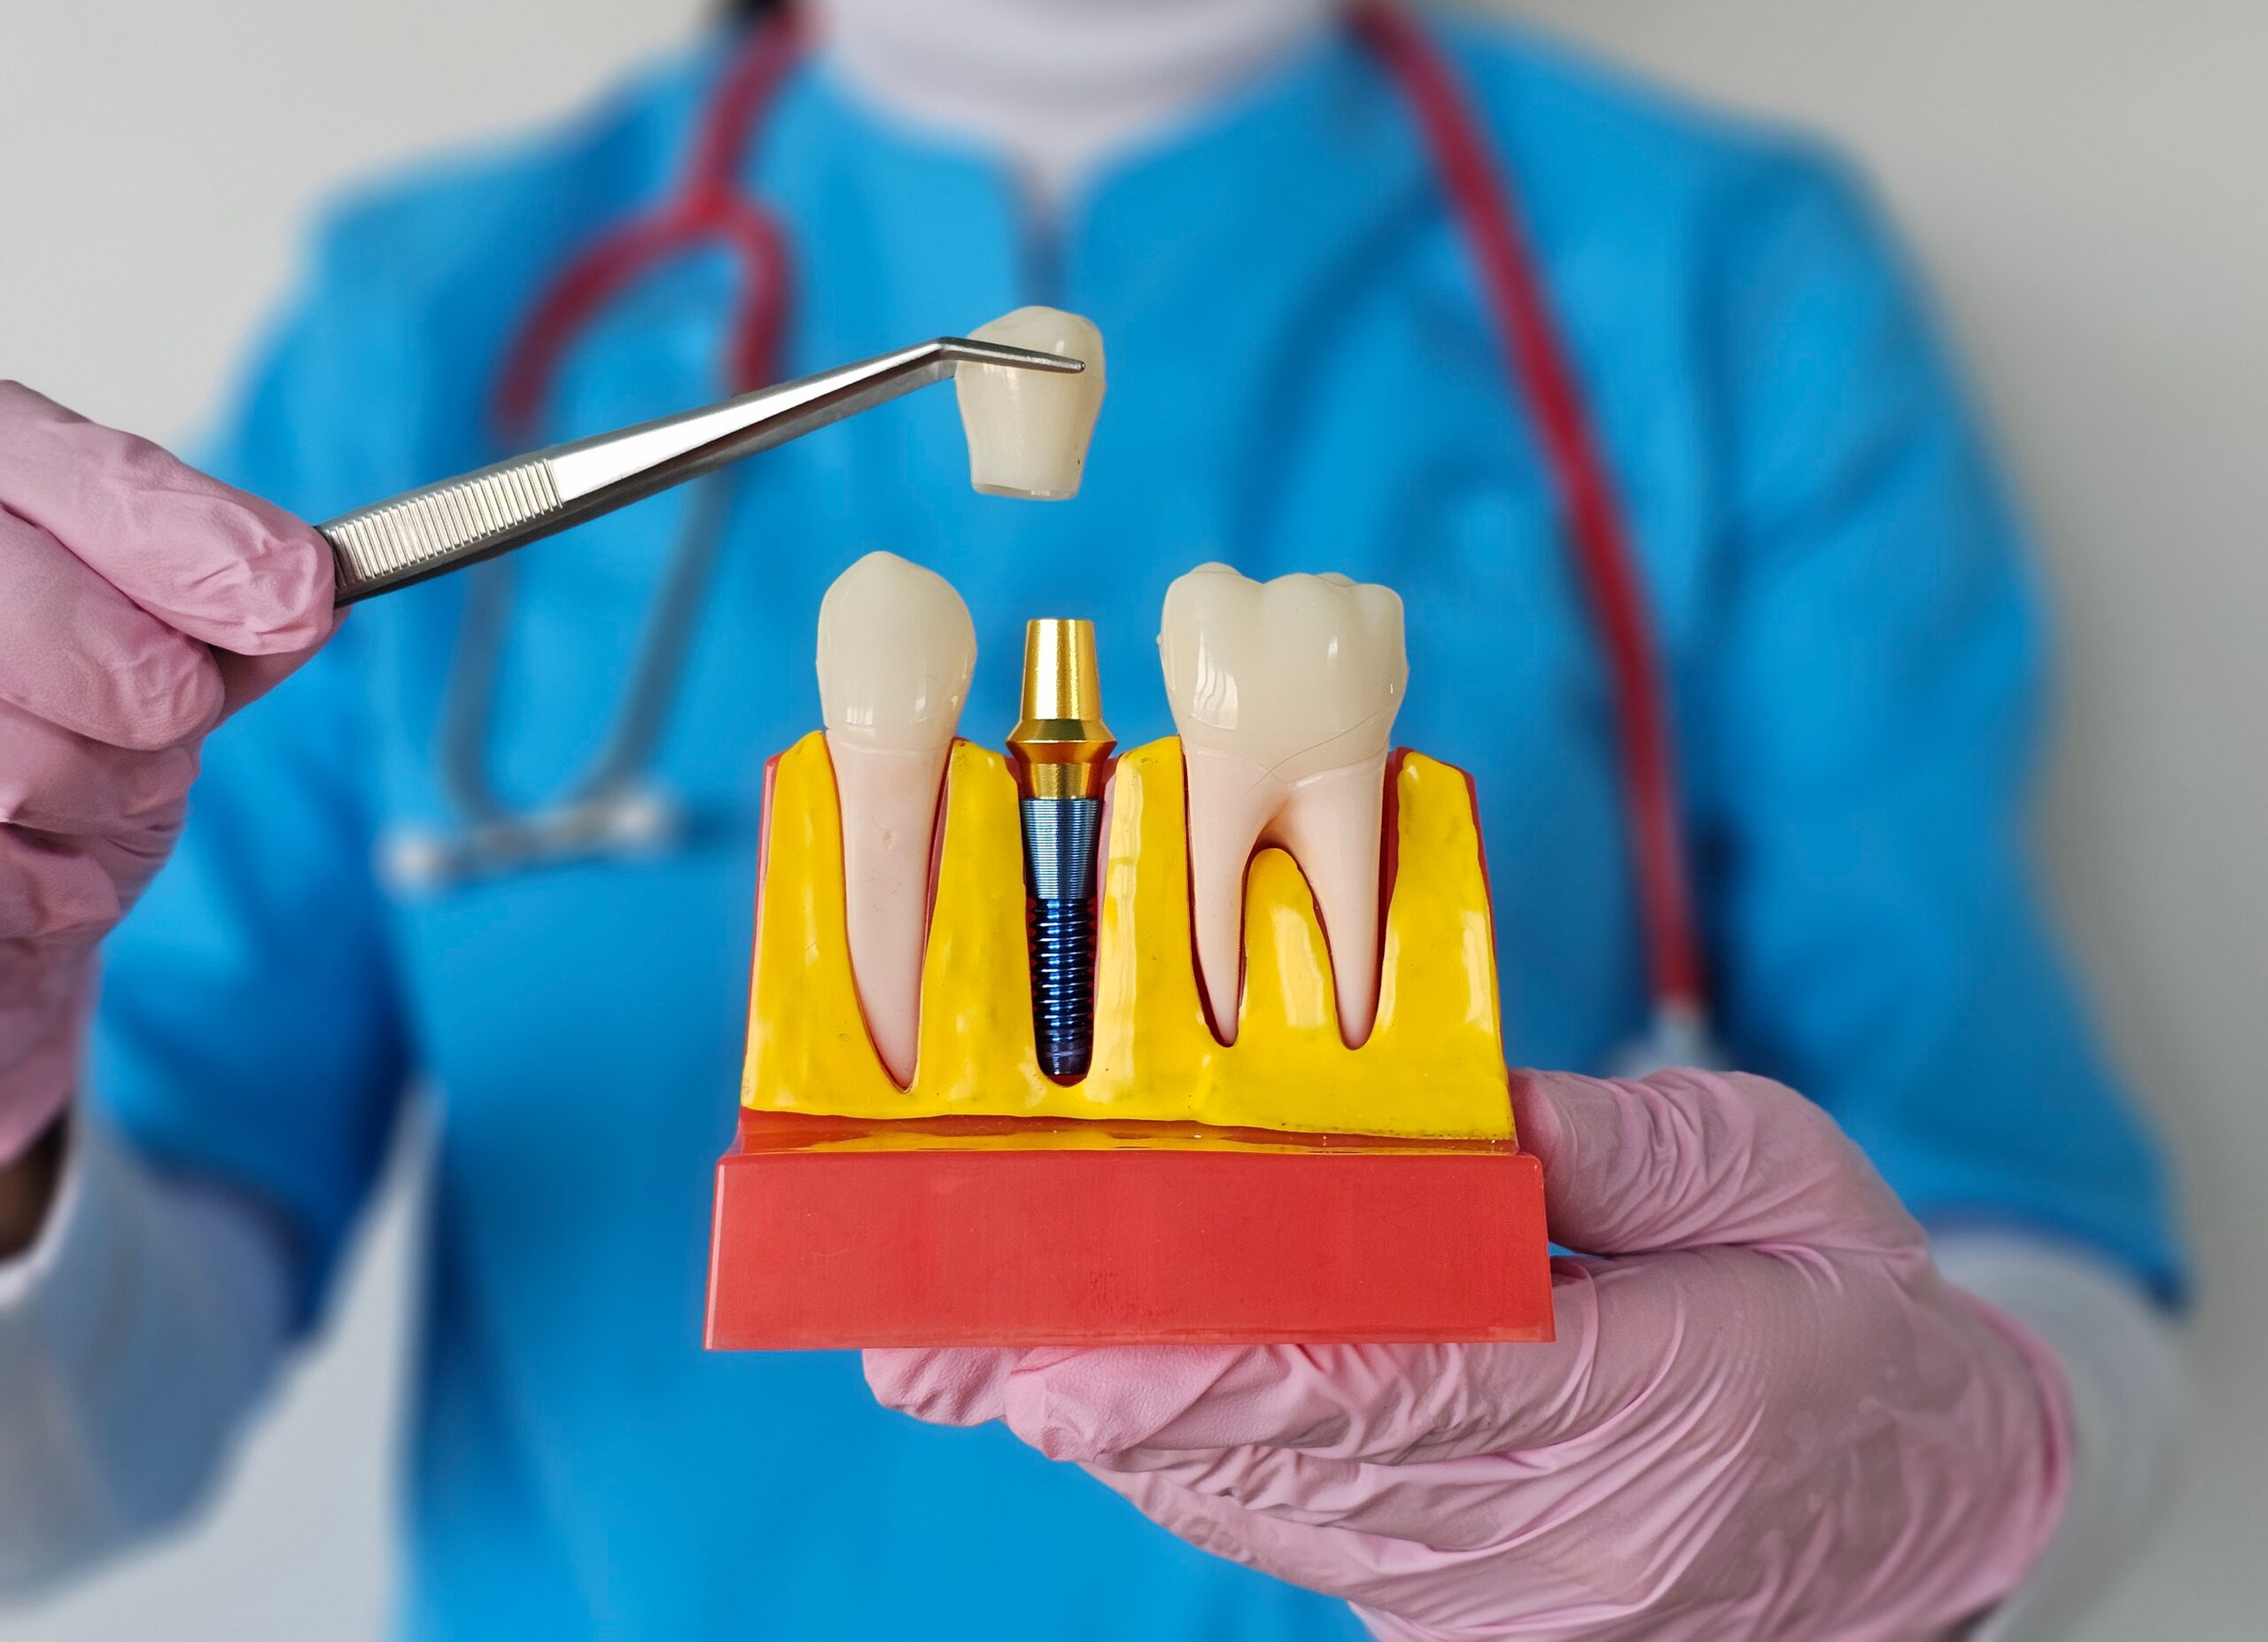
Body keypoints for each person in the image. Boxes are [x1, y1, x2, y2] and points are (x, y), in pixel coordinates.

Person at [0, 0, 2186, 1636]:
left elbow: (2013, 1207)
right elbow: (97, 1424)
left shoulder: (1709, 285)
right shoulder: (430, 327)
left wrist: (1923, 1482)